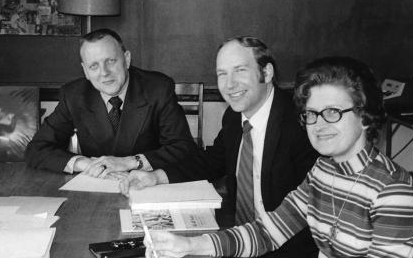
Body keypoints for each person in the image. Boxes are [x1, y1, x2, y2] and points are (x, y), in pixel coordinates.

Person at [142, 56, 413, 258]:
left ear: (366, 116)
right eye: (312, 114)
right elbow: (268, 232)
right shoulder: (323, 172)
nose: (319, 124)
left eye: (333, 112)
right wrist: (189, 246)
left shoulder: (393, 193)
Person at [121, 36, 318, 258]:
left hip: (288, 248)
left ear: (267, 72)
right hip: (239, 240)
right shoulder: (234, 117)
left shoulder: (303, 123)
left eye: (240, 70)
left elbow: (309, 215)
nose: (229, 84)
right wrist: (156, 176)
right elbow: (212, 161)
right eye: (222, 74)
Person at [25, 28, 197, 178]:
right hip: (97, 189)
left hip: (148, 186)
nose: (104, 73)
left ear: (127, 59)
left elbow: (184, 148)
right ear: (85, 71)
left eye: (111, 61)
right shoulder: (74, 95)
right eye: (94, 66)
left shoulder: (158, 88)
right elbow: (37, 149)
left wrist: (130, 162)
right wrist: (82, 163)